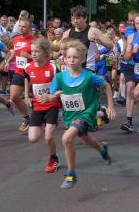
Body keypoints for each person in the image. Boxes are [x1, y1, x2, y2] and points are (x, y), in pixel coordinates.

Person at [48, 40, 116, 189]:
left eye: (76, 57)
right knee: (86, 139)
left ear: (83, 59)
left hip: (86, 113)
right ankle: (102, 150)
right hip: (70, 115)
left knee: (66, 139)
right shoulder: (59, 77)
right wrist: (51, 96)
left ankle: (71, 174)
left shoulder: (89, 77)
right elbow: (50, 95)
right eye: (69, 57)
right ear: (64, 59)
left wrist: (111, 106)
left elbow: (106, 86)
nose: (72, 60)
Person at [24, 38, 61, 172]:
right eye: (32, 51)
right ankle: (47, 123)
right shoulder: (28, 67)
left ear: (46, 53)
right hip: (37, 105)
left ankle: (53, 158)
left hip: (52, 105)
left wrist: (53, 95)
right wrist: (26, 95)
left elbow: (62, 85)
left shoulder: (53, 68)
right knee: (33, 138)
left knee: (48, 137)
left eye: (37, 51)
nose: (33, 54)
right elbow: (27, 78)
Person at [3, 16, 35, 132]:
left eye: (24, 27)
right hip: (19, 71)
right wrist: (8, 61)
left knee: (37, 97)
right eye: (20, 26)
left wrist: (29, 56)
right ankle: (26, 118)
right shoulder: (15, 39)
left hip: (32, 72)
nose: (21, 28)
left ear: (30, 28)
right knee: (14, 97)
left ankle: (43, 116)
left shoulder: (34, 40)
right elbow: (14, 52)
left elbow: (41, 57)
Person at [62, 5, 113, 72]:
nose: (75, 21)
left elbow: (110, 45)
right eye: (73, 18)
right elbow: (58, 47)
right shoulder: (67, 33)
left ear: (85, 18)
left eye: (78, 18)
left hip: (87, 70)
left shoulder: (93, 31)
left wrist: (99, 41)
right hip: (71, 69)